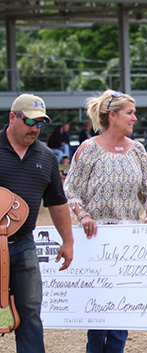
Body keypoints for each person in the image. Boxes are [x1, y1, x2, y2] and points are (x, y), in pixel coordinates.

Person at [63, 89, 147, 353]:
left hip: (128, 244)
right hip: (96, 242)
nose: (135, 118)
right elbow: (70, 190)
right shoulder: (89, 149)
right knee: (98, 314)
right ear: (113, 116)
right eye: (130, 113)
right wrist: (83, 216)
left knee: (122, 315)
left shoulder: (138, 150)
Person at [0, 93, 74, 353]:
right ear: (12, 117)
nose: (35, 128)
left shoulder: (46, 156)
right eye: (30, 121)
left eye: (40, 124)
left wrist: (67, 240)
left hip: (24, 243)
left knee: (30, 308)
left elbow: (57, 202)